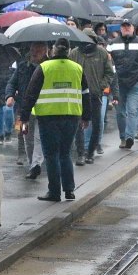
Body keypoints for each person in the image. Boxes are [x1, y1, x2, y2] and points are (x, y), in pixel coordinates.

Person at [18, 37, 94, 201]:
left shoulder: (44, 68)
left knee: (52, 155)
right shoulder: (77, 68)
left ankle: (54, 192)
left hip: (48, 117)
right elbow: (85, 94)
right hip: (71, 116)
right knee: (65, 154)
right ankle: (69, 190)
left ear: (53, 50)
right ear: (68, 51)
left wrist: (24, 117)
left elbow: (31, 94)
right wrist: (86, 116)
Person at [109, 20, 138, 149]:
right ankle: (123, 137)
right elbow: (108, 63)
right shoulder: (112, 44)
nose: (126, 28)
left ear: (133, 28)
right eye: (124, 26)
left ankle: (129, 137)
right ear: (120, 29)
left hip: (135, 84)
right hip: (118, 84)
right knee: (120, 113)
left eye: (128, 26)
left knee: (132, 111)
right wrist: (113, 79)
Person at [74, 31, 116, 163]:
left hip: (95, 94)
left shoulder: (102, 53)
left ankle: (90, 152)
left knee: (96, 124)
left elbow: (109, 73)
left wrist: (101, 86)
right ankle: (81, 153)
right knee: (78, 124)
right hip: (78, 95)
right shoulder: (74, 53)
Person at [8, 42, 47, 177]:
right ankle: (30, 161)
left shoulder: (47, 67)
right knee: (24, 135)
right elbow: (12, 83)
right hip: (23, 109)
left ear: (45, 50)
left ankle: (36, 164)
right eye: (34, 49)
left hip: (42, 109)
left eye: (39, 49)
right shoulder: (22, 66)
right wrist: (9, 96)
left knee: (38, 137)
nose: (36, 52)